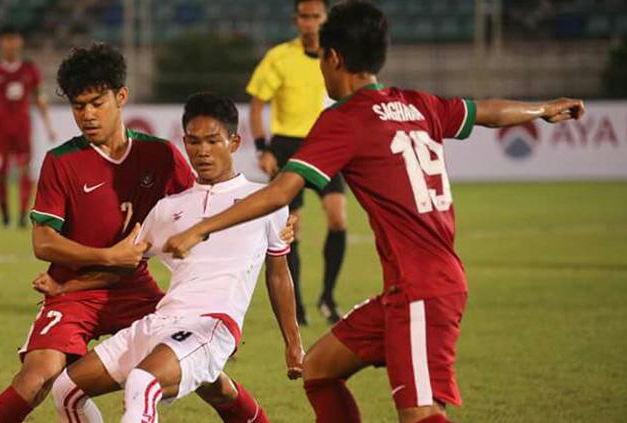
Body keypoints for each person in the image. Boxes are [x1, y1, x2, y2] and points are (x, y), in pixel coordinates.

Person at [163, 2, 586, 423]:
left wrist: (202, 228)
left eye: (322, 62)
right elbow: (486, 112)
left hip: (422, 290)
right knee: (320, 369)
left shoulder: (345, 120)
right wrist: (543, 108)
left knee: (420, 414)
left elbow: (279, 194)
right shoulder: (417, 103)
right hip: (410, 288)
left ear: (333, 59)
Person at [0, 44, 283, 423]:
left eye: (96, 103)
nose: (87, 115)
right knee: (38, 377)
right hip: (72, 290)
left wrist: (271, 220)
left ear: (121, 97)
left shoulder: (160, 156)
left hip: (134, 289)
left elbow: (204, 206)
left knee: (208, 378)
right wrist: (107, 257)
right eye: (78, 106)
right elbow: (43, 243)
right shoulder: (61, 161)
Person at [45, 92, 304, 423]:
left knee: (142, 383)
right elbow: (126, 265)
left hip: (212, 324)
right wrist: (64, 288)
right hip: (160, 321)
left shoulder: (263, 202)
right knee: (66, 389)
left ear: (235, 142)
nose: (202, 151)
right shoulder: (168, 208)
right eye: (194, 142)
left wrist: (293, 345)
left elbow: (279, 274)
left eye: (213, 140)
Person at [247, 0, 346, 325]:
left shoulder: (337, 55)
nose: (310, 23)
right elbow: (257, 104)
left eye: (316, 16)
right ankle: (298, 305)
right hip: (288, 146)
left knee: (337, 218)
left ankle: (328, 298)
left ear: (326, 19)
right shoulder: (279, 57)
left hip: (327, 144)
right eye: (304, 16)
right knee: (293, 229)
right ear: (296, 20)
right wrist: (264, 148)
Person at [0, 24, 56, 229]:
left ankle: (22, 214)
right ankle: (4, 215)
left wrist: (48, 125)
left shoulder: (30, 68)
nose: (11, 44)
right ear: (0, 42)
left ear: (20, 41)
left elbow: (40, 98)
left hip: (22, 129)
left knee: (25, 170)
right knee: (0, 172)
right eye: (7, 39)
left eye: (14, 39)